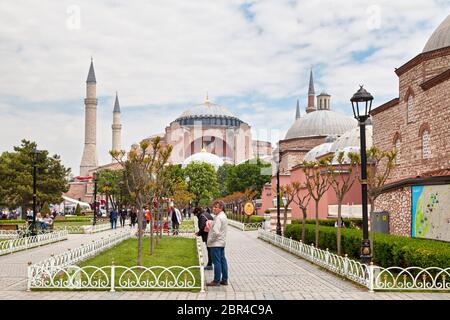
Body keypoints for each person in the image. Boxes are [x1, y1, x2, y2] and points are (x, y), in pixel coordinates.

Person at [206, 200, 228, 286]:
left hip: (216, 243)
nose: (213, 209)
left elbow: (216, 232)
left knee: (217, 262)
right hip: (221, 242)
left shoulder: (219, 217)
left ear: (221, 208)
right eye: (213, 207)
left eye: (216, 207)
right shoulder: (223, 216)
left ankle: (216, 280)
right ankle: (224, 279)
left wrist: (210, 240)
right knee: (222, 261)